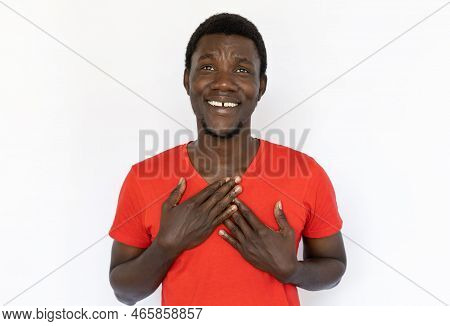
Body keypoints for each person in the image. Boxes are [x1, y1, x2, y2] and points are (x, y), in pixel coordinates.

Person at [108, 13, 346, 306]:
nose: (223, 83)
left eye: (242, 70)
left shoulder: (306, 174)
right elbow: (124, 292)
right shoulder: (143, 178)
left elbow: (334, 267)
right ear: (187, 80)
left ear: (261, 85)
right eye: (208, 67)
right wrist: (165, 247)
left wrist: (292, 270)